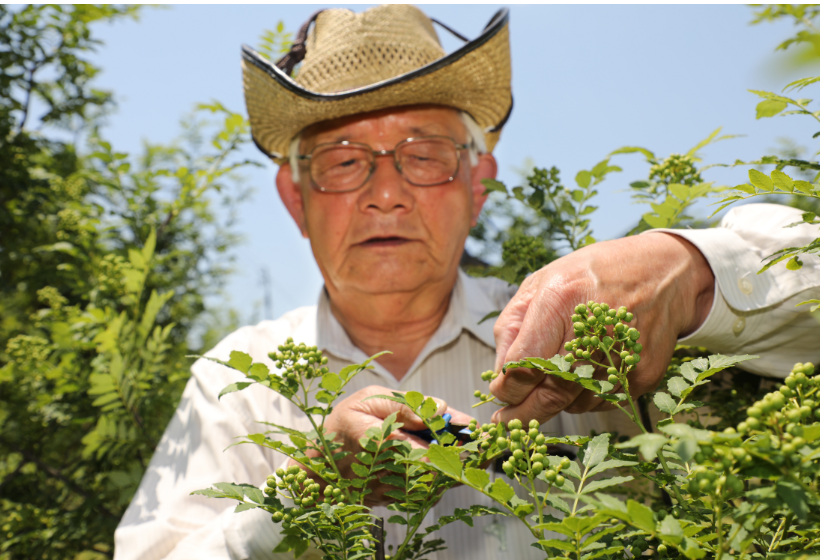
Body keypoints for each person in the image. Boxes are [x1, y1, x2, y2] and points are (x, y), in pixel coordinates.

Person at [113, 5, 820, 560]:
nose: (385, 193)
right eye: (342, 159)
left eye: (424, 155)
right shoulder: (240, 378)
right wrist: (307, 492)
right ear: (295, 199)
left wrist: (691, 271)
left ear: (479, 184)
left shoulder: (588, 334)